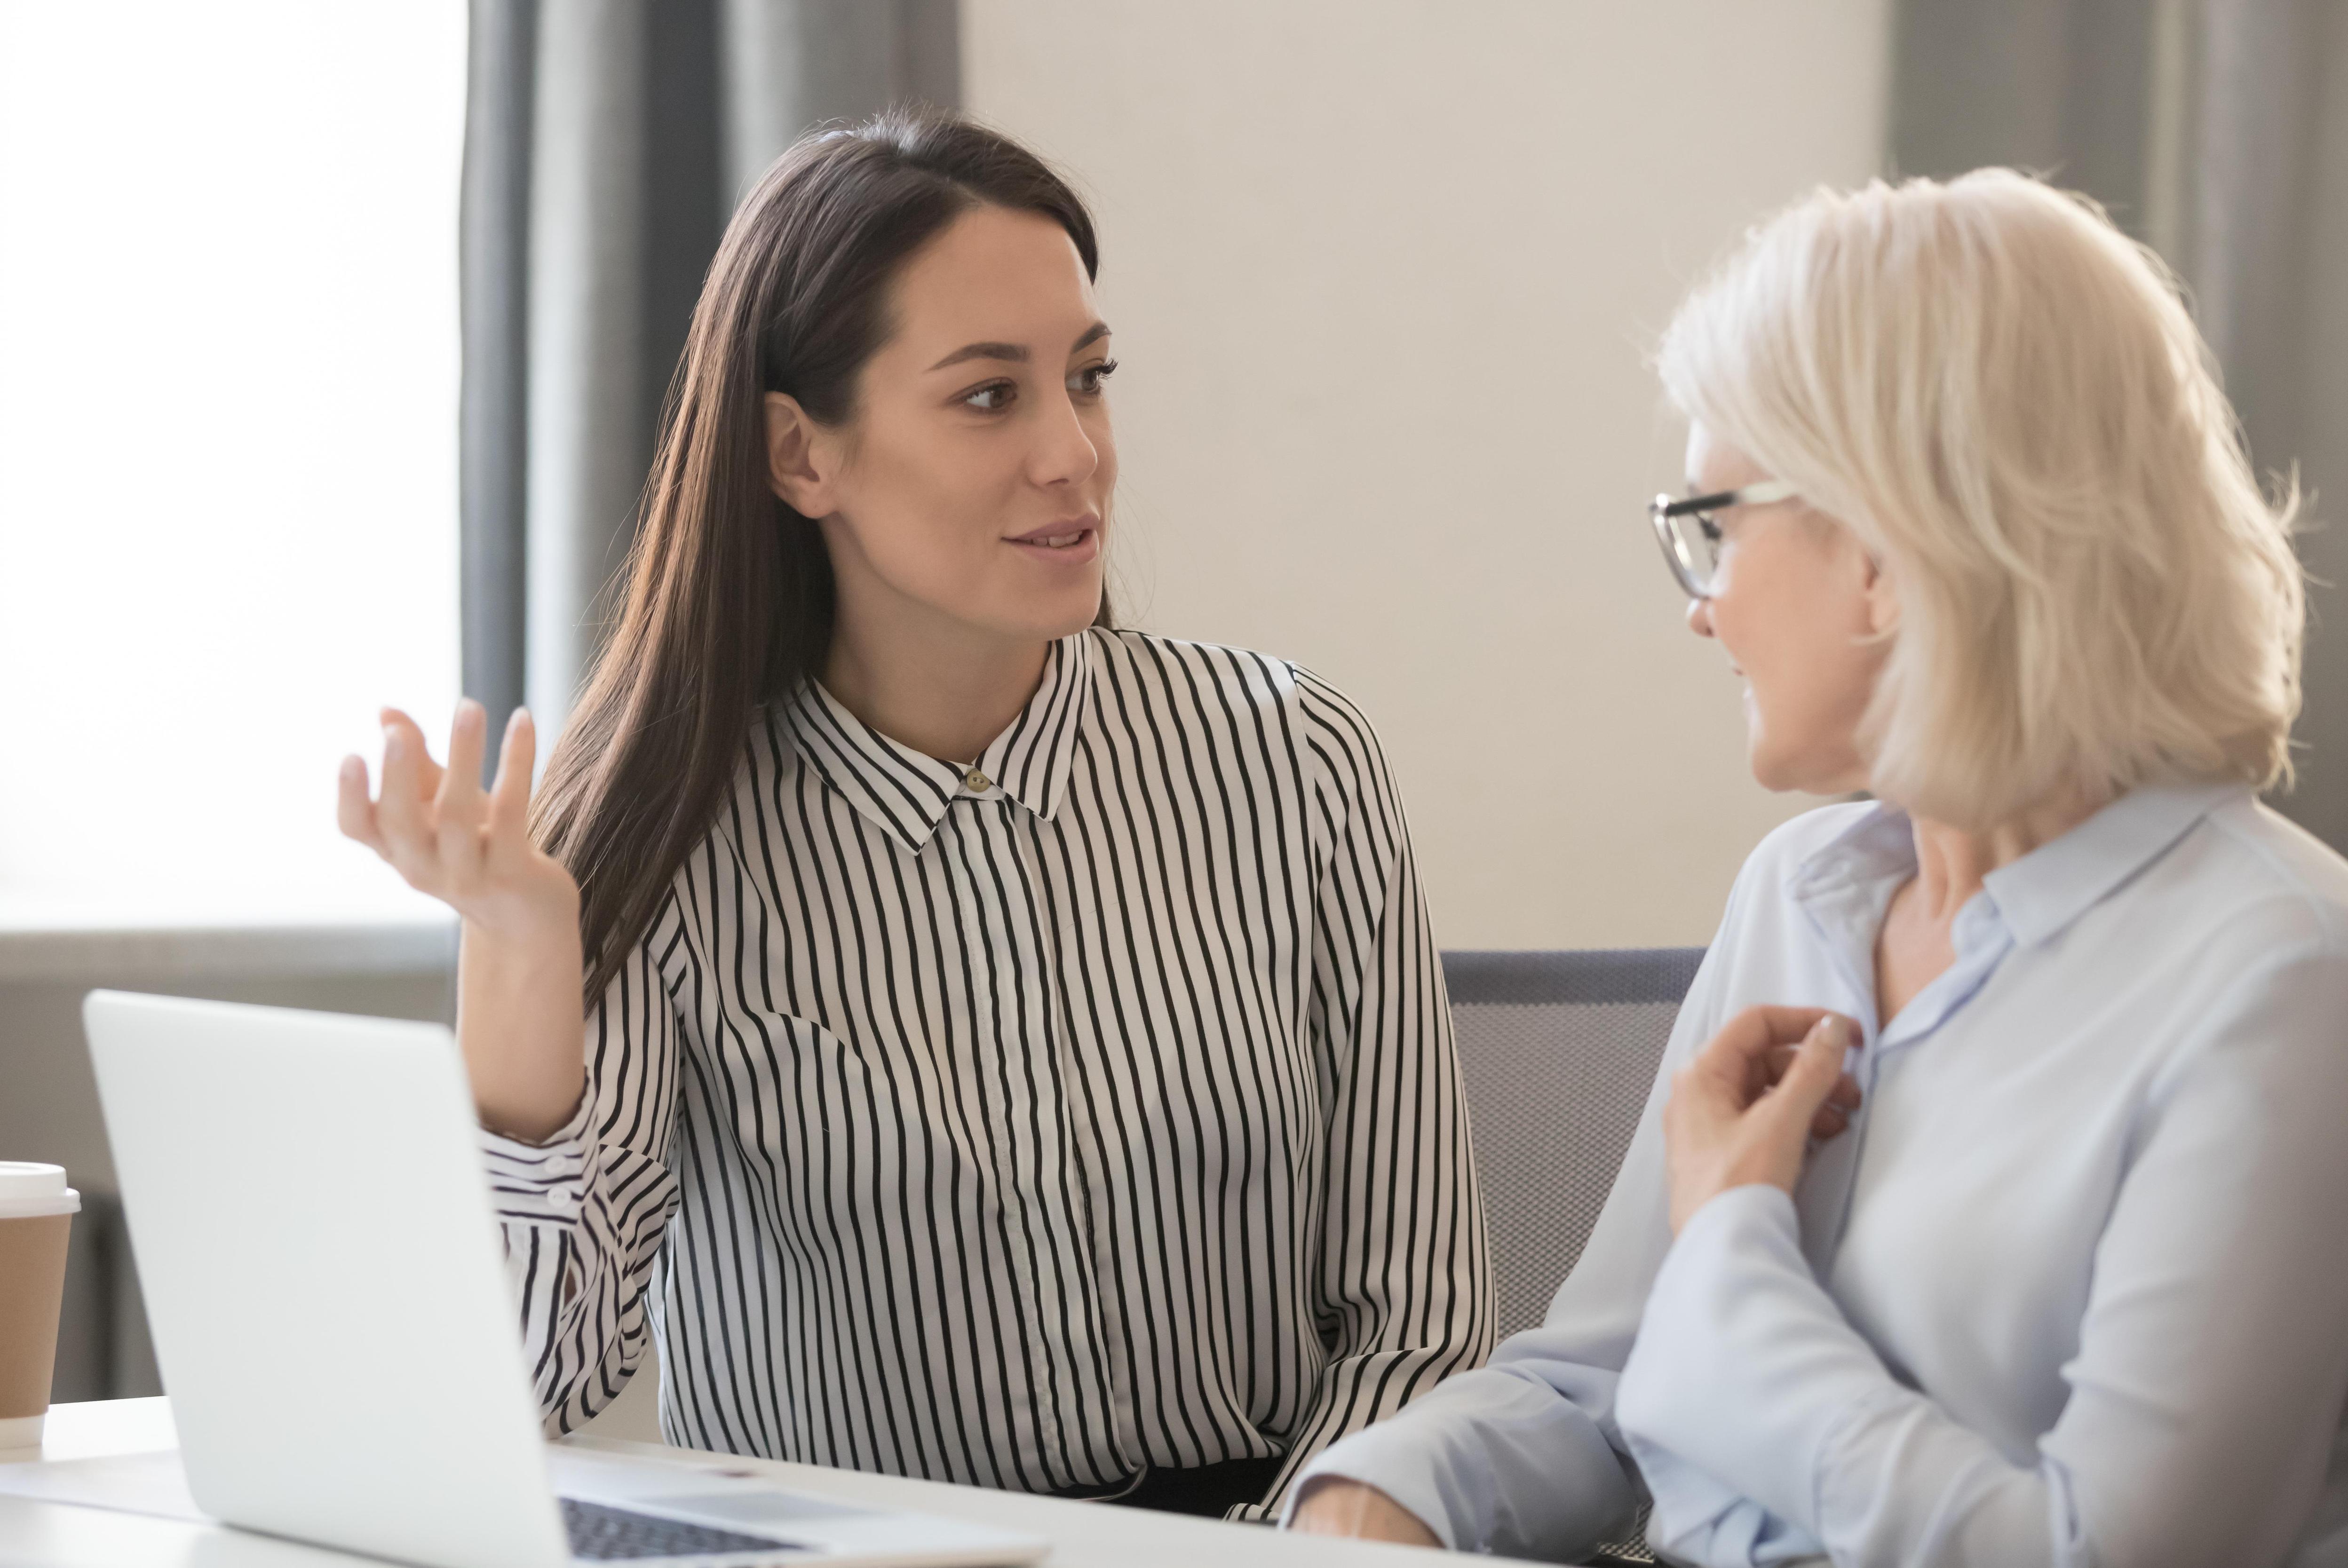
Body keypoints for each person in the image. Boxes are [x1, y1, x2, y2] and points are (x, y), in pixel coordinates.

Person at [336, 110, 1491, 1521]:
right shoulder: (667, 839)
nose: (1076, 455)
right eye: (990, 397)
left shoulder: (1298, 764)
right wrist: (521, 953)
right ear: (799, 456)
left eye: (1091, 377)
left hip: (1261, 1548)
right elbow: (519, 1387)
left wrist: (1305, 1543)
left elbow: (1421, 1330)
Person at [1288, 168, 2348, 1565]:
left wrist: (1733, 1249)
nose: (1704, 605)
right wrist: (1379, 1494)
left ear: (1882, 549)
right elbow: (1610, 1384)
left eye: (1717, 528)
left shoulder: (2284, 980)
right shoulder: (1801, 890)